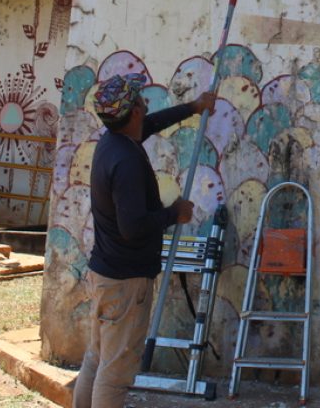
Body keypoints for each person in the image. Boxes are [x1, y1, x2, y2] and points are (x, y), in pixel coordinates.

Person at [73, 72, 217, 408]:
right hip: (126, 282)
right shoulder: (126, 162)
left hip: (107, 274)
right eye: (140, 99)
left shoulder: (114, 143)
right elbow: (133, 227)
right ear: (133, 110)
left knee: (97, 358)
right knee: (116, 371)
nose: (145, 102)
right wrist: (173, 213)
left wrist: (193, 107)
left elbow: (149, 124)